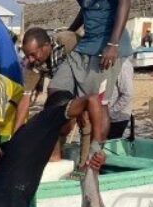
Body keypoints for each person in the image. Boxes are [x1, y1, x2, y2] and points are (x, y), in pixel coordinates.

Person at [51, 0, 132, 163]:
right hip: (85, 45)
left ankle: (93, 158)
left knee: (99, 104)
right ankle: (56, 155)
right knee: (55, 90)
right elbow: (86, 8)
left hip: (107, 47)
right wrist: (69, 32)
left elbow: (125, 2)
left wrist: (113, 44)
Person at [15, 27, 79, 132]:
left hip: (89, 76)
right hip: (65, 91)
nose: (30, 59)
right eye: (27, 56)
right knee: (56, 126)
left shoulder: (68, 43)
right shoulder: (33, 63)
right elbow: (25, 98)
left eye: (33, 54)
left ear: (46, 46)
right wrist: (15, 133)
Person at [107, 58, 133, 139]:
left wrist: (111, 112)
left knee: (110, 147)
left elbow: (127, 94)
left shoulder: (122, 65)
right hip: (104, 116)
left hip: (117, 118)